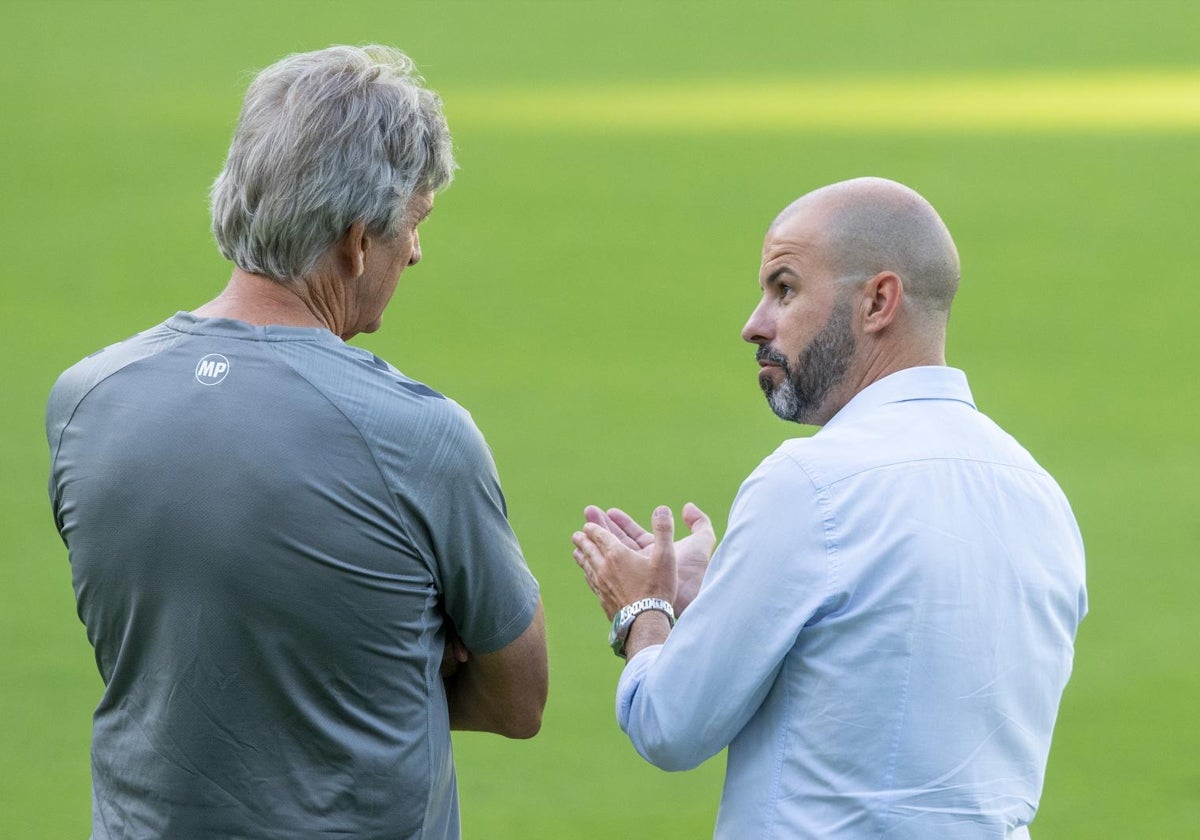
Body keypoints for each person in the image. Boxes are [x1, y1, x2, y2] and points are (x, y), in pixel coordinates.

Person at [46, 45, 547, 840]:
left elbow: (174, 643)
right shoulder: (418, 436)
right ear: (356, 240)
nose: (414, 252)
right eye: (413, 224)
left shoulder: (83, 401)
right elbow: (519, 701)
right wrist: (395, 664)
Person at [572, 177, 1086, 839]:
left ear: (877, 301)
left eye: (784, 289)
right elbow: (886, 658)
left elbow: (669, 725)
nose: (754, 324)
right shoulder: (1039, 493)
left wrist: (644, 610)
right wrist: (729, 594)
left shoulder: (810, 484)